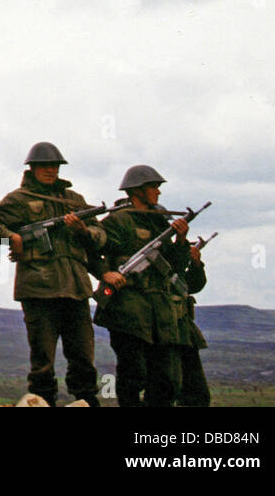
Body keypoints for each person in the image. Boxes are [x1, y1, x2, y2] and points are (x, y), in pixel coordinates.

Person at [0, 143, 105, 406]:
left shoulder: (75, 201)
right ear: (32, 168)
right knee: (43, 359)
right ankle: (42, 401)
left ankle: (87, 401)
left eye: (54, 166)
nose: (50, 170)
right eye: (44, 166)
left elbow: (101, 236)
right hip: (38, 288)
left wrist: (83, 231)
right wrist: (11, 236)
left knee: (82, 355)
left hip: (76, 288)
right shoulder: (19, 199)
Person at [94, 164, 191, 408]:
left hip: (160, 311)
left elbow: (176, 266)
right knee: (133, 372)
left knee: (165, 379)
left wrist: (180, 239)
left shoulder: (160, 222)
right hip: (128, 308)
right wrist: (105, 274)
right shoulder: (117, 221)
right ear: (137, 190)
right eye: (153, 187)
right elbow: (91, 248)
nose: (158, 192)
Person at [177, 240, 211, 407]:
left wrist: (196, 264)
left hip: (181, 330)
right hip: (153, 328)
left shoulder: (172, 251)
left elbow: (192, 285)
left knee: (196, 392)